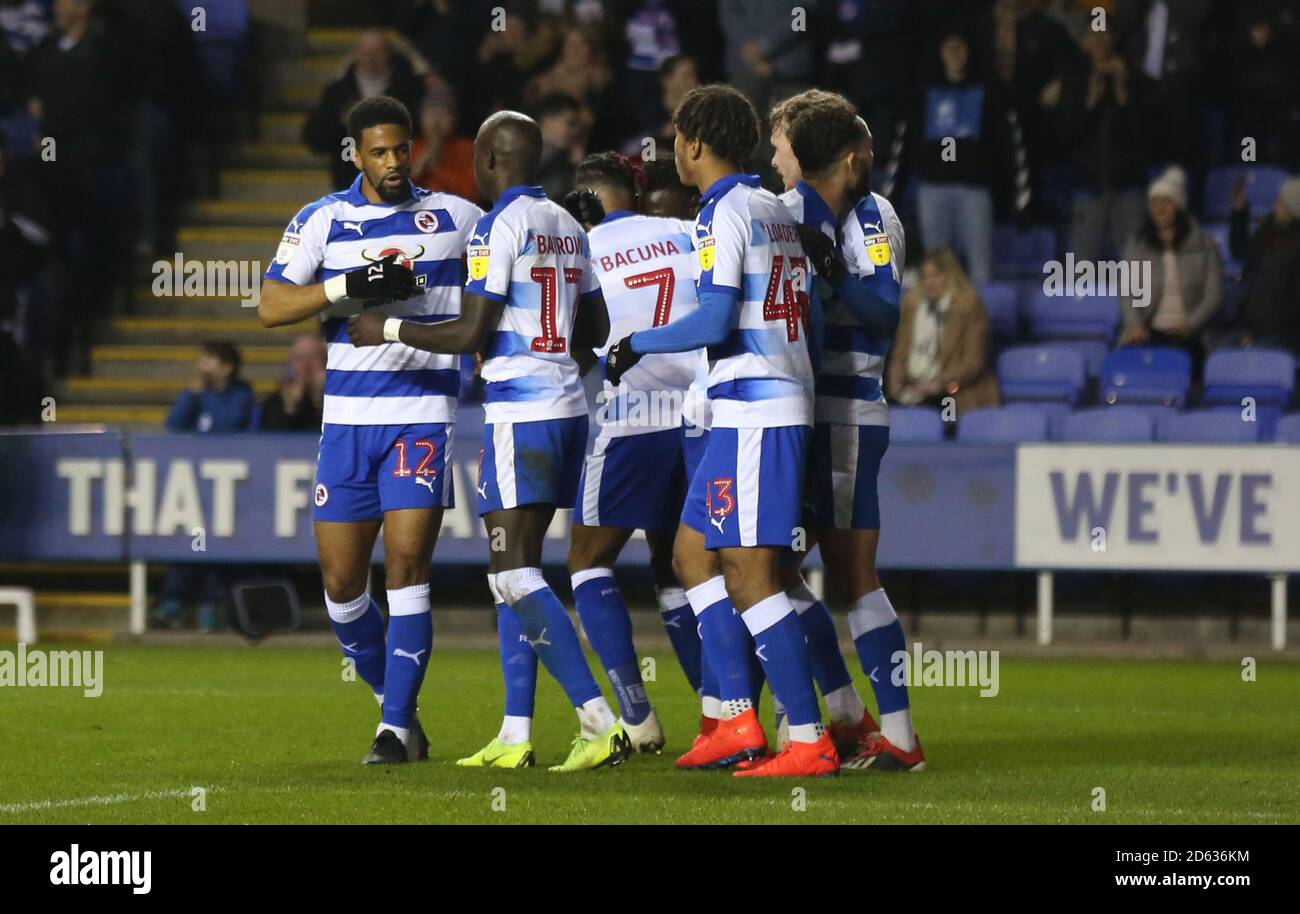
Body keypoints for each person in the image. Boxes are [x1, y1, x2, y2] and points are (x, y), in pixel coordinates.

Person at [348, 110, 630, 773]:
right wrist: (553, 366)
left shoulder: (494, 227)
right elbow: (597, 327)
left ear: (492, 161)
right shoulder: (567, 222)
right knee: (517, 572)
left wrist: (385, 330)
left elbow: (469, 334)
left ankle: (599, 720)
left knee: (512, 571)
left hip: (520, 415)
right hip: (567, 409)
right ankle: (514, 731)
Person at [604, 84, 838, 777]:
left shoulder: (724, 215)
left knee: (753, 574)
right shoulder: (769, 207)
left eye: (677, 136)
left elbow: (713, 321)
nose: (673, 148)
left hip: (754, 411)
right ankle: (734, 716)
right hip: (758, 405)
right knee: (692, 553)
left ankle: (809, 737)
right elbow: (808, 319)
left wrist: (635, 342)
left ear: (695, 143)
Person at [260, 95, 485, 766]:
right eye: (378, 152)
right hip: (348, 422)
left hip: (420, 414)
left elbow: (506, 276)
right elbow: (271, 306)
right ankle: (403, 715)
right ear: (355, 154)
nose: (393, 163)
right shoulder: (322, 219)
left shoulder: (456, 216)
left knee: (408, 568)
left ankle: (389, 733)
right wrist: (344, 287)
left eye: (401, 149)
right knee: (341, 586)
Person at [779, 90, 927, 770]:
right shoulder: (789, 210)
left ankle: (895, 734)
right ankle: (839, 709)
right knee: (778, 568)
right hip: (807, 409)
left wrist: (832, 273)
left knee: (851, 573)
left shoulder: (872, 216)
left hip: (846, 410)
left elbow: (886, 311)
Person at [155, 341, 253, 631]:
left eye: (209, 359)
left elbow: (228, 426)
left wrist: (202, 400)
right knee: (186, 543)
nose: (202, 365)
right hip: (193, 488)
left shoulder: (242, 395)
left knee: (218, 546)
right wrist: (192, 395)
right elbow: (172, 426)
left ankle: (212, 604)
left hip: (230, 489)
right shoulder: (196, 395)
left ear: (227, 367)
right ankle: (173, 603)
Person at [913, 32, 1009, 289]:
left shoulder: (988, 88)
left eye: (960, 47)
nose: (955, 53)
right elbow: (909, 138)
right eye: (949, 47)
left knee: (980, 272)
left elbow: (1003, 141)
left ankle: (977, 327)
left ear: (968, 52)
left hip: (974, 189)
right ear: (940, 52)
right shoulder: (924, 88)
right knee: (937, 272)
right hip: (933, 188)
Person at [1118, 167, 1223, 370]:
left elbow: (1214, 296)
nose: (1159, 208)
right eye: (1154, 202)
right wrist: (1135, 324)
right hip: (1148, 332)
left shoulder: (1204, 244)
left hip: (1191, 334)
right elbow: (1126, 292)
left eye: (1166, 201)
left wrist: (1191, 324)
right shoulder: (1137, 244)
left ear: (1178, 206)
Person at [302, 31, 426, 190]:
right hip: (350, 186)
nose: (371, 58)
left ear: (389, 55)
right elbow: (314, 138)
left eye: (378, 52)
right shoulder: (338, 92)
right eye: (366, 52)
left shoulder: (409, 90)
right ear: (355, 54)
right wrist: (341, 122)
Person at [888, 248, 999, 412]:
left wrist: (935, 385)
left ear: (951, 276)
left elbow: (973, 363)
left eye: (936, 276)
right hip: (913, 390)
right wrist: (896, 384)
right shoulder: (911, 306)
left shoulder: (969, 307)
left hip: (956, 392)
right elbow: (900, 354)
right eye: (925, 277)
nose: (930, 282)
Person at [1226, 175, 1300, 351]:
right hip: (1249, 327)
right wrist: (1239, 211)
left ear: (1293, 209)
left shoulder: (1296, 246)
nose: (1275, 205)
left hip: (1281, 335)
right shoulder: (1269, 229)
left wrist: (1260, 334)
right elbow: (1240, 251)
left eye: (1281, 202)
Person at [164, 342, 254, 434]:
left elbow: (226, 425)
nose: (201, 367)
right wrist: (189, 396)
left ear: (227, 368)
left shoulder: (241, 393)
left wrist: (204, 396)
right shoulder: (193, 394)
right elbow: (173, 425)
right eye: (200, 362)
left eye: (207, 362)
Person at [409, 85, 477, 201]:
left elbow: (471, 193)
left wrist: (437, 168)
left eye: (442, 114)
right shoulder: (410, 148)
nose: (436, 120)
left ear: (453, 120)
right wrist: (417, 170)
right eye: (430, 114)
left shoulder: (467, 149)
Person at [257, 333, 326, 431]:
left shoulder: (340, 398)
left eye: (312, 358)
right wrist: (290, 408)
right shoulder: (274, 402)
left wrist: (319, 400)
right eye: (299, 359)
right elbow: (270, 439)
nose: (306, 366)